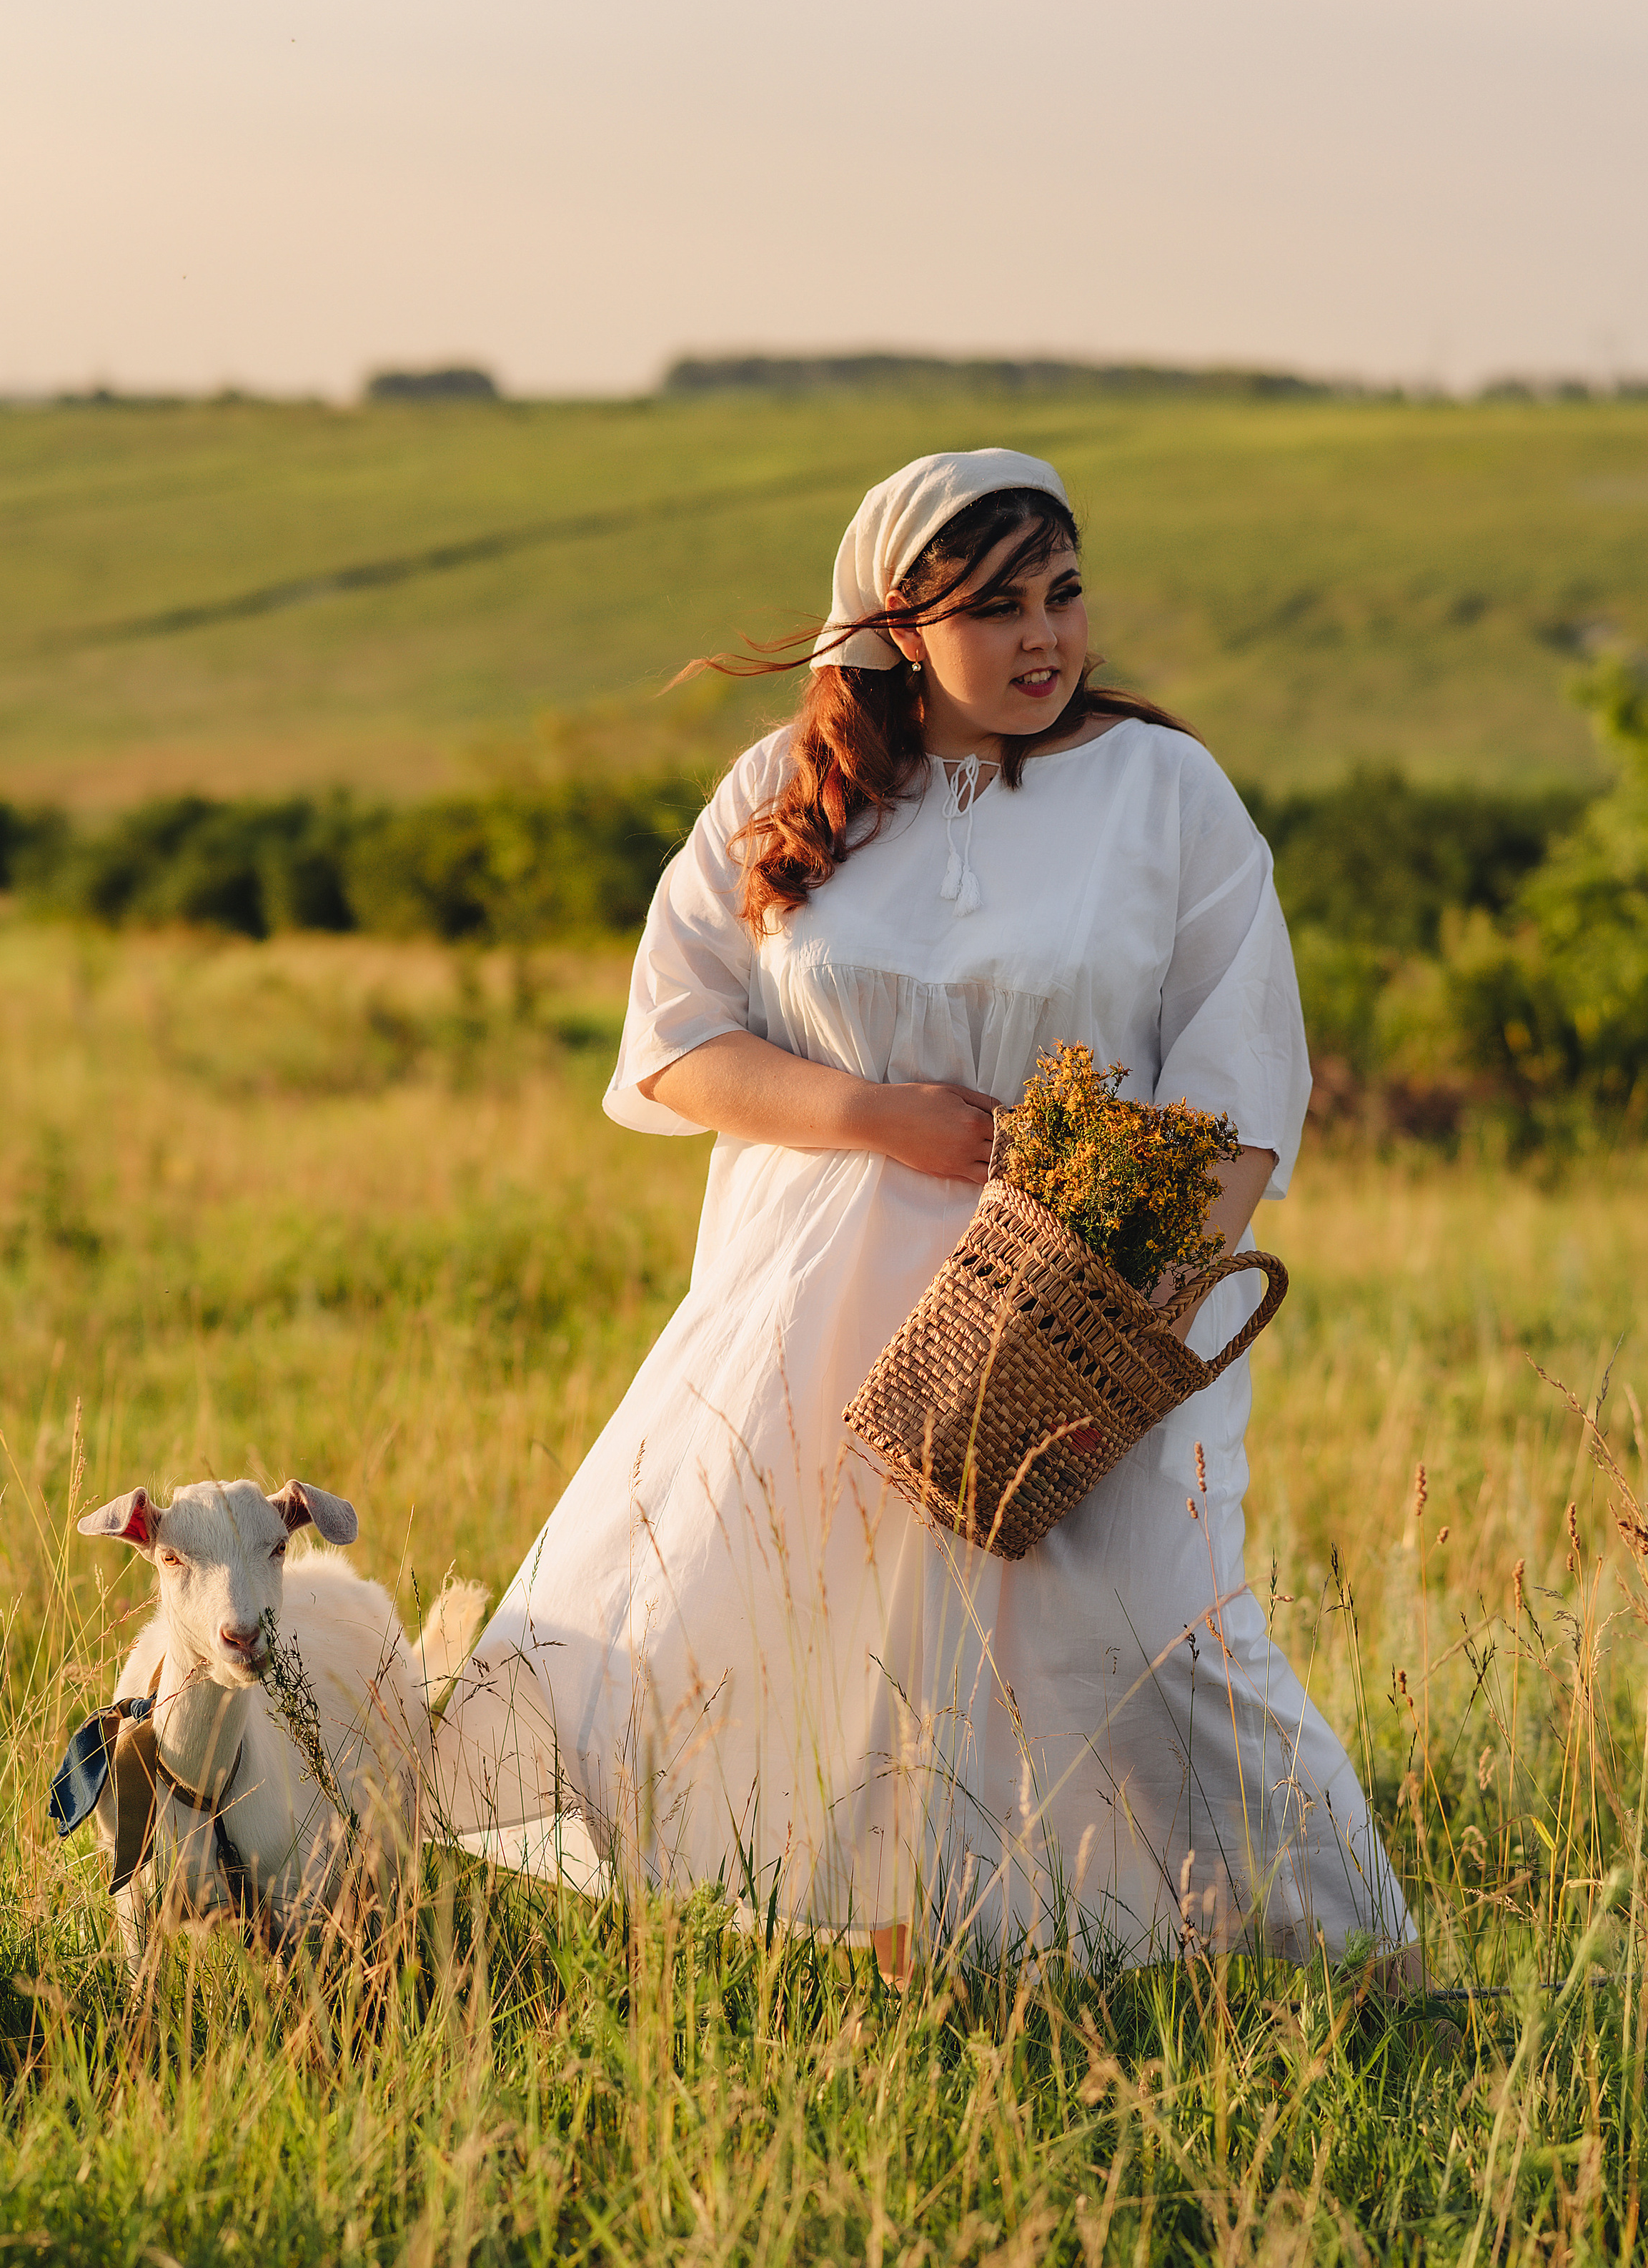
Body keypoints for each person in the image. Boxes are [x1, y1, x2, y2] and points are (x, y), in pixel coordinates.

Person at [440, 447, 1415, 1977]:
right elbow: (673, 1042)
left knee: (1166, 1629)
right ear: (897, 625)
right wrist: (878, 1115)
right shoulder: (782, 784)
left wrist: (1136, 1310)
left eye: (1063, 593)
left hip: (1083, 1298)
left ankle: (1346, 1965)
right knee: (837, 1633)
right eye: (994, 607)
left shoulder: (1163, 792)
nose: (1044, 638)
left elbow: (1241, 1075)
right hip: (818, 1299)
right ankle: (934, 1960)